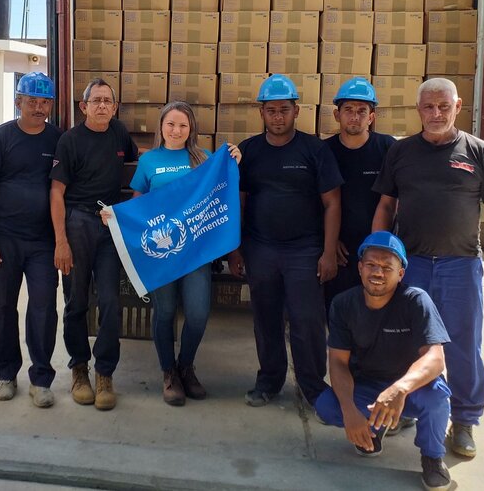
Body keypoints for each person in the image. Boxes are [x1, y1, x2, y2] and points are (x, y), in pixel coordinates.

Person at [373, 77, 484, 459]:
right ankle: (406, 406)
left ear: (458, 106)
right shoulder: (401, 153)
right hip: (411, 265)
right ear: (418, 110)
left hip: (460, 266)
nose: (436, 114)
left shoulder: (480, 152)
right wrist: (377, 256)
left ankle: (465, 421)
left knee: (463, 346)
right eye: (428, 107)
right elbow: (386, 206)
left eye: (444, 107)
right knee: (405, 340)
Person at [105, 101, 241, 406]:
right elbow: (139, 206)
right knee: (164, 312)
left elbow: (220, 192)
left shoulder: (204, 158)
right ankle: (169, 373)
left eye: (182, 125)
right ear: (161, 127)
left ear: (191, 128)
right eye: (170, 124)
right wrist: (116, 217)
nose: (176, 130)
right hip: (161, 255)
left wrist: (233, 159)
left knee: (197, 313)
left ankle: (186, 366)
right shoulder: (149, 161)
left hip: (195, 254)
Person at [228, 74, 343, 408]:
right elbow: (238, 203)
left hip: (304, 251)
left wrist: (328, 252)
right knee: (265, 318)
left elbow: (332, 203)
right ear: (261, 113)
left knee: (307, 321)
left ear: (296, 111)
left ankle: (313, 388)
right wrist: (235, 251)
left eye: (284, 110)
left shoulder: (314, 150)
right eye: (271, 111)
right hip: (260, 248)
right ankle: (269, 382)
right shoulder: (248, 151)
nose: (278, 117)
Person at [315, 231, 453, 491]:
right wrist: (349, 412)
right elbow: (338, 362)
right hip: (368, 386)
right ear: (359, 267)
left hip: (409, 389)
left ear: (400, 274)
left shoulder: (416, 300)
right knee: (327, 406)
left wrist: (400, 389)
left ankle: (432, 457)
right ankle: (375, 428)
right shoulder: (343, 304)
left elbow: (435, 358)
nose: (378, 272)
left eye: (387, 267)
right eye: (371, 265)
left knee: (437, 398)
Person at [50, 78, 138, 411]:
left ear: (115, 107)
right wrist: (61, 241)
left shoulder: (119, 134)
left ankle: (104, 373)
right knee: (75, 302)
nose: (102, 105)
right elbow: (56, 192)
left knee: (111, 302)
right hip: (78, 222)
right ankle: (78, 369)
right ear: (83, 106)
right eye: (95, 100)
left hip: (110, 224)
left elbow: (138, 164)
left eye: (108, 101)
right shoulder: (70, 141)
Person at [0, 72, 61, 408]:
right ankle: (6, 374)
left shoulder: (57, 139)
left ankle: (41, 379)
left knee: (42, 309)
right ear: (18, 101)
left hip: (43, 243)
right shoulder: (0, 138)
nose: (38, 108)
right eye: (32, 101)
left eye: (44, 102)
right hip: (4, 239)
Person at [324, 77, 396, 313]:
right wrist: (329, 242)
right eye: (348, 110)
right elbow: (315, 202)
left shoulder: (388, 148)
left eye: (362, 111)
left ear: (371, 117)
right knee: (339, 311)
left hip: (379, 247)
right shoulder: (324, 151)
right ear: (337, 115)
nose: (355, 117)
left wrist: (385, 245)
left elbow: (397, 199)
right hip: (340, 250)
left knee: (376, 313)